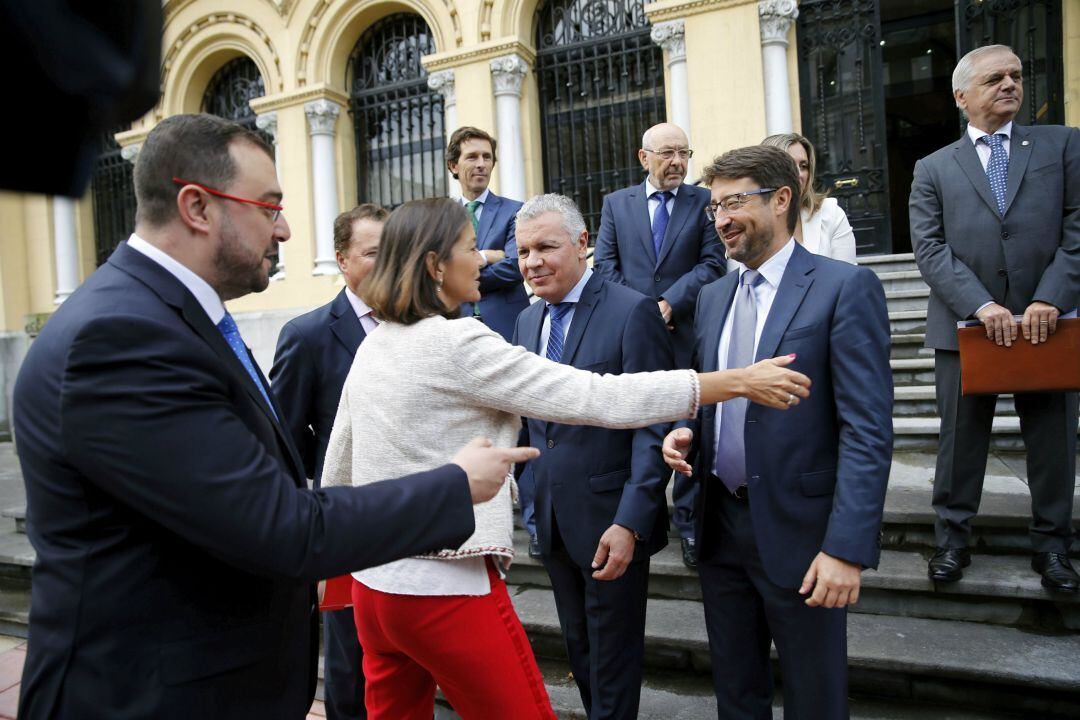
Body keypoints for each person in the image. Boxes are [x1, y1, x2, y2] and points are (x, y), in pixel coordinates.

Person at [11, 113, 535, 720]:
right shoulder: (120, 336)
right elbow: (280, 526)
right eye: (268, 206)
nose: (285, 229)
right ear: (197, 207)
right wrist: (452, 483)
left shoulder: (165, 314)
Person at [320, 197, 811, 720]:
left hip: (375, 589)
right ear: (437, 265)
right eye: (471, 250)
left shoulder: (379, 341)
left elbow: (340, 459)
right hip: (443, 586)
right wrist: (736, 381)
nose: (489, 260)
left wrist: (334, 564)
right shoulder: (457, 340)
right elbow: (596, 397)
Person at [663, 145, 893, 719]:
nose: (720, 219)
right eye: (714, 206)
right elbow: (714, 396)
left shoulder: (844, 287)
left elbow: (867, 429)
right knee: (737, 698)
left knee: (815, 700)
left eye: (734, 201)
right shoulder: (713, 296)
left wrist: (846, 548)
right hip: (720, 532)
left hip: (805, 538)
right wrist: (685, 434)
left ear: (782, 199)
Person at [909, 44, 1079, 592]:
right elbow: (930, 248)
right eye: (994, 79)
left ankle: (1053, 547)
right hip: (967, 328)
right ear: (962, 97)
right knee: (960, 442)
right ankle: (952, 542)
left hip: (1046, 324)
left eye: (1015, 76)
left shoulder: (1062, 145)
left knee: (1053, 441)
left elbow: (1078, 229)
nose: (1009, 84)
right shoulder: (933, 167)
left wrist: (1051, 297)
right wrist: (981, 305)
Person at [512, 194, 673, 719]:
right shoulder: (525, 324)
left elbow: (653, 423)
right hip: (554, 522)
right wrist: (533, 506)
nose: (533, 261)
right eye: (522, 251)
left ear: (583, 243)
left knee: (613, 659)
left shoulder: (632, 311)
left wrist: (630, 521)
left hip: (611, 523)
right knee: (580, 653)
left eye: (546, 247)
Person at [270, 203, 389, 719]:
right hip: (346, 530)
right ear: (341, 259)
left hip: (419, 524)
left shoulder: (427, 322)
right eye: (372, 253)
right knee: (351, 667)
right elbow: (285, 445)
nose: (386, 264)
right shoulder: (308, 335)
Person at [593, 121, 725, 567]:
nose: (677, 162)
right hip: (632, 339)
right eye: (667, 153)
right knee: (639, 426)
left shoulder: (704, 201)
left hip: (686, 332)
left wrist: (669, 303)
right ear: (643, 157)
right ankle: (641, 519)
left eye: (684, 153)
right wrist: (639, 314)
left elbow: (712, 263)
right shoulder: (617, 204)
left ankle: (689, 524)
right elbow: (606, 266)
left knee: (688, 426)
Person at [446, 125, 529, 341]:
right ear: (453, 165)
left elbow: (514, 266)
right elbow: (436, 272)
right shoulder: (443, 218)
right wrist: (486, 257)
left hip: (507, 324)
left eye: (487, 157)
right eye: (472, 157)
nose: (481, 164)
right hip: (456, 326)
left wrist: (458, 277)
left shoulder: (516, 211)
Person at [761, 132, 856, 263]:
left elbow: (848, 276)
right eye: (789, 165)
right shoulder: (752, 220)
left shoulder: (830, 213)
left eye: (803, 166)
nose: (799, 174)